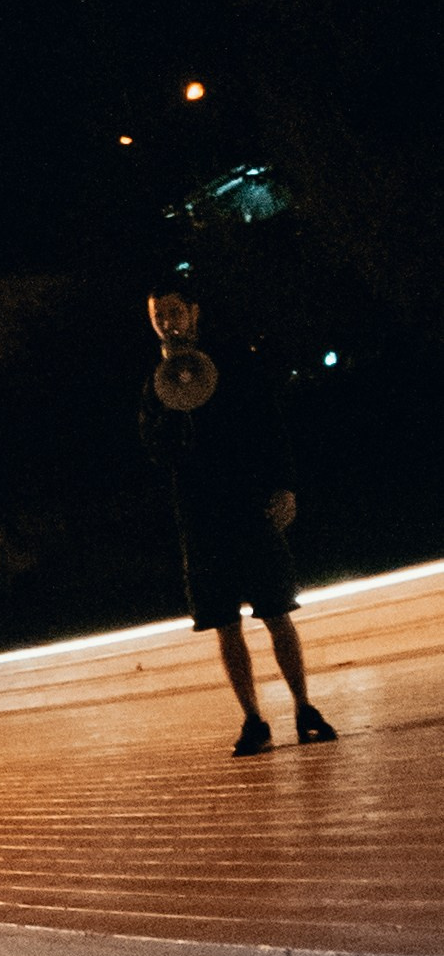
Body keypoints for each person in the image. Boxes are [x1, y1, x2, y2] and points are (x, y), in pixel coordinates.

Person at [140, 280, 337, 758]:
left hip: (249, 506)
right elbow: (154, 451)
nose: (168, 322)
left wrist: (285, 486)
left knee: (277, 612)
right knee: (223, 622)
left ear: (194, 313)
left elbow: (271, 426)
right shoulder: (155, 382)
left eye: (175, 312)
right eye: (158, 316)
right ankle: (253, 719)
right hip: (200, 517)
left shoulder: (234, 362)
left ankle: (304, 707)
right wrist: (171, 409)